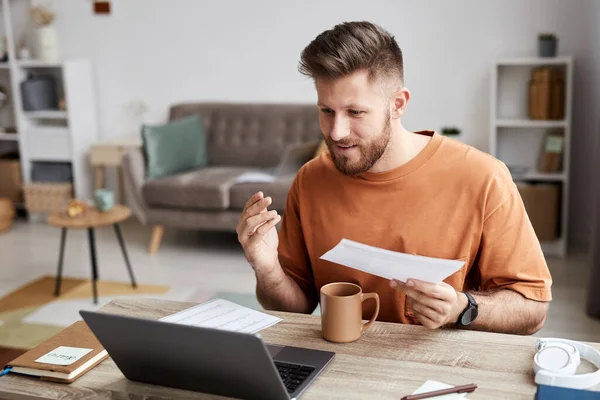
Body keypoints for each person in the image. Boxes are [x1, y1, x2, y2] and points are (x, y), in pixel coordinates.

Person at [236, 21, 552, 335]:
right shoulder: (310, 180)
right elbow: (296, 308)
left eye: (355, 113)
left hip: (437, 372)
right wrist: (267, 269)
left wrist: (462, 307)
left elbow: (533, 310)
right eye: (326, 111)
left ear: (397, 104)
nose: (336, 132)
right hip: (340, 366)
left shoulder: (483, 178)